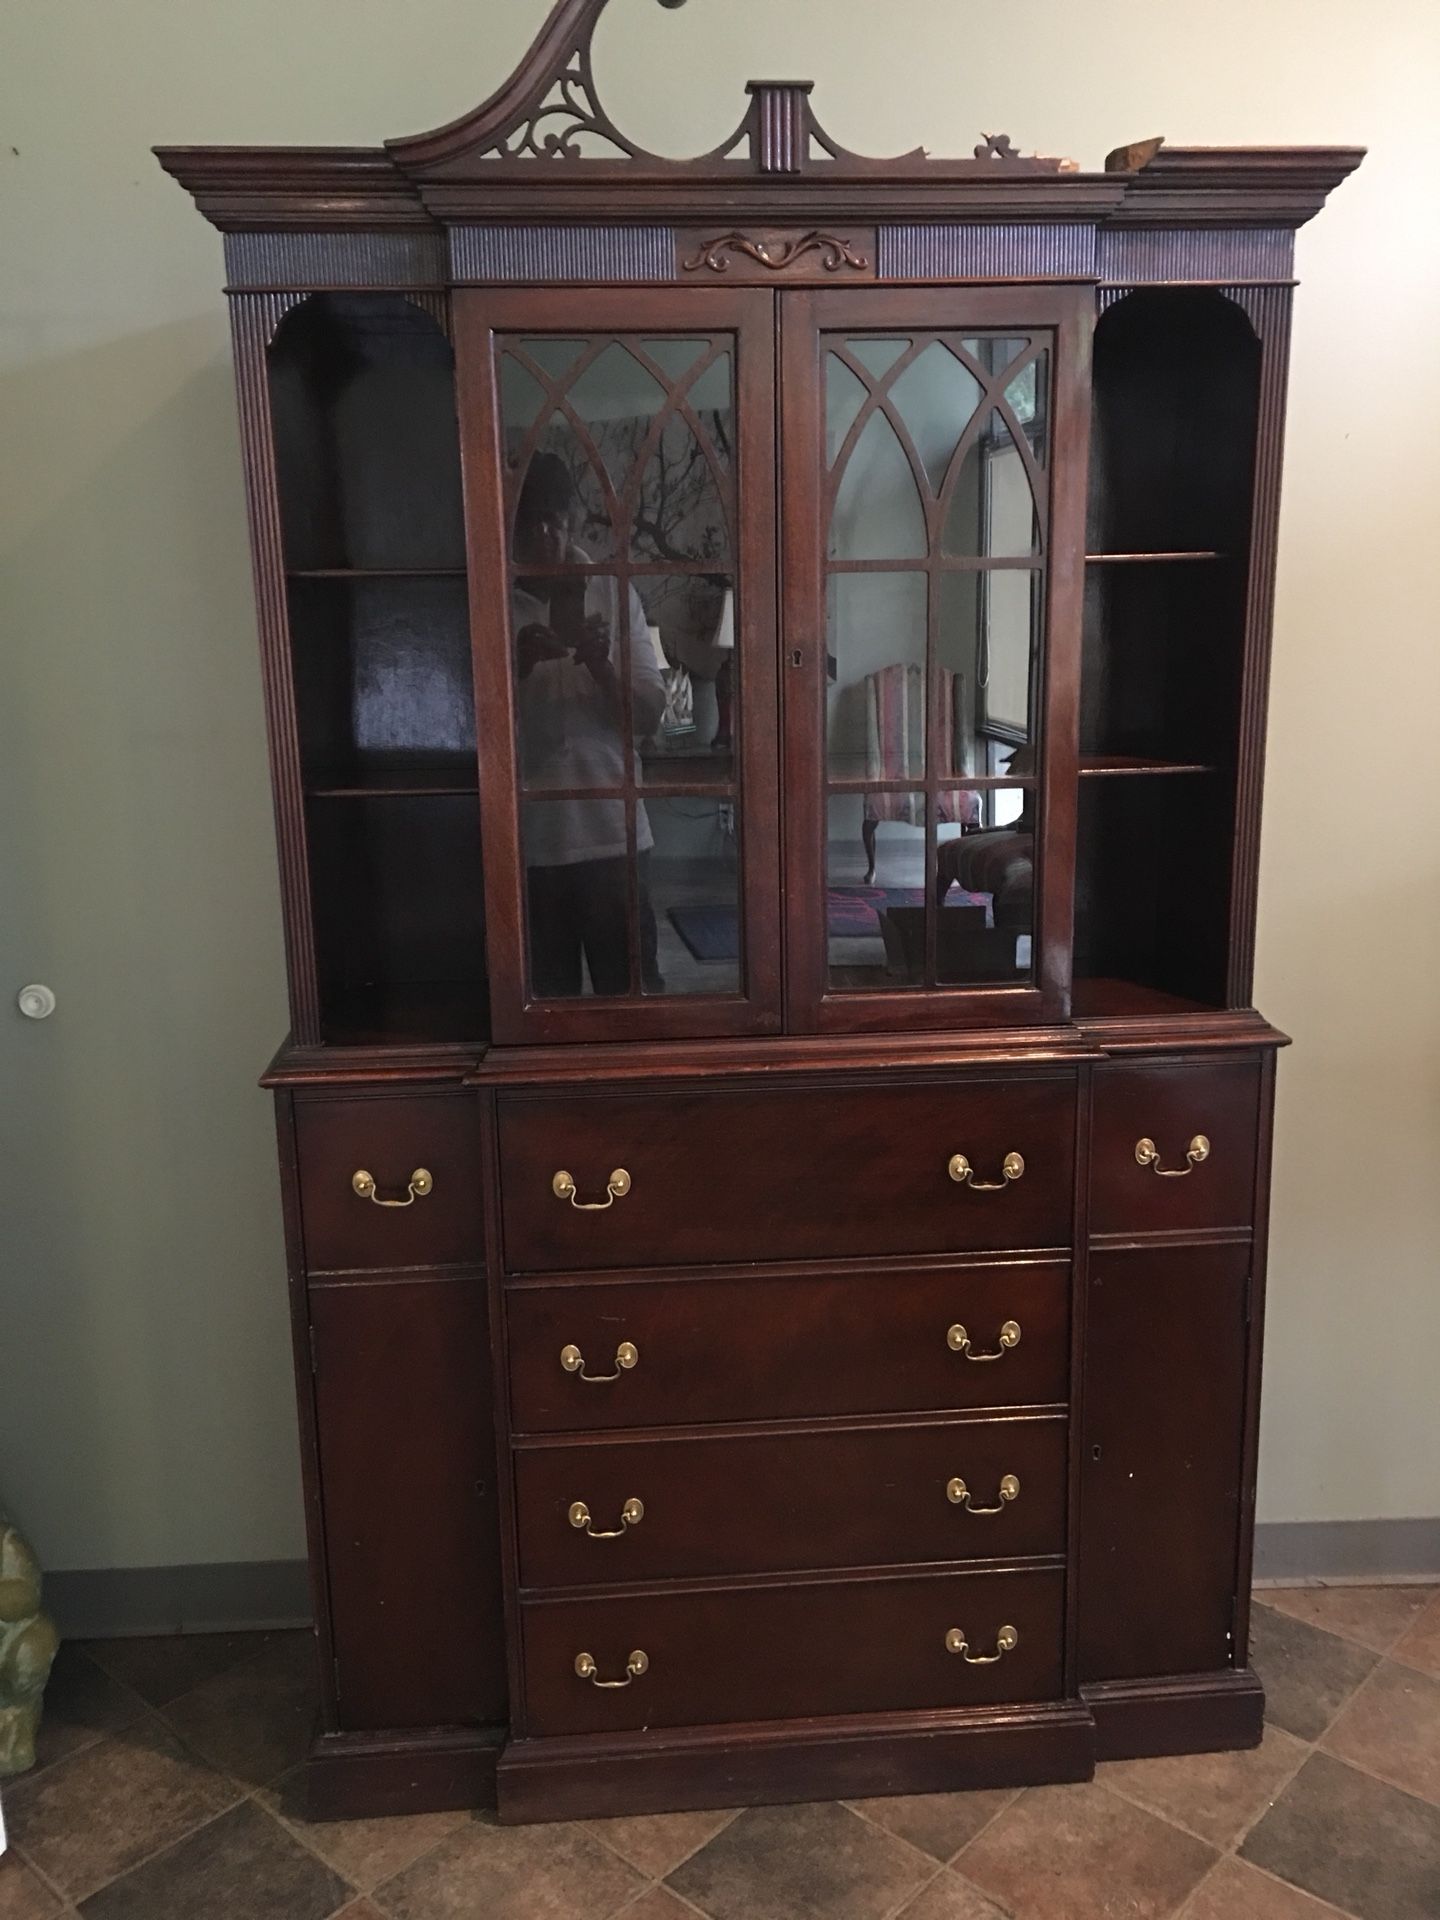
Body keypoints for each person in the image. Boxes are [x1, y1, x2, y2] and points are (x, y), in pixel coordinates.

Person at [512, 451, 667, 997]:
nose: (546, 537)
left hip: (615, 838)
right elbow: (462, 729)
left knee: (634, 1007)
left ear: (571, 521)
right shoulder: (490, 604)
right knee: (544, 1012)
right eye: (531, 525)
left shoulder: (614, 589)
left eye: (555, 521)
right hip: (527, 844)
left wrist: (603, 669)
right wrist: (516, 667)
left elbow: (650, 717)